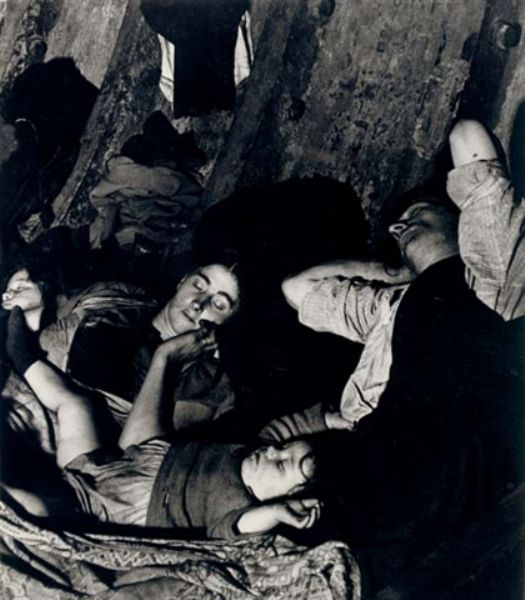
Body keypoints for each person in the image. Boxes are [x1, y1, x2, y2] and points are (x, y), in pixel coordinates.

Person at [277, 119, 524, 430]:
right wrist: (397, 270)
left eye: (416, 212)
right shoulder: (388, 309)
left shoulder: (491, 254)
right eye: (395, 230)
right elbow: (297, 288)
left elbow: (467, 135)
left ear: (459, 221)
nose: (398, 227)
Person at [4, 306, 322, 539]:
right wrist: (325, 418)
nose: (272, 452)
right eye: (280, 449)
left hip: (119, 508)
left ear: (289, 495)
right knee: (78, 406)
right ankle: (23, 357)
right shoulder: (246, 452)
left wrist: (274, 513)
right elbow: (280, 431)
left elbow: (236, 529)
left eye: (282, 464)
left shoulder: (239, 505)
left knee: (41, 509)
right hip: (130, 462)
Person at [1, 256, 242, 431]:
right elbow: (55, 315)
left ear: (228, 322)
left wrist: (165, 357)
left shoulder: (207, 381)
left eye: (219, 304)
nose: (198, 303)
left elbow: (142, 452)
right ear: (183, 281)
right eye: (198, 285)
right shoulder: (120, 296)